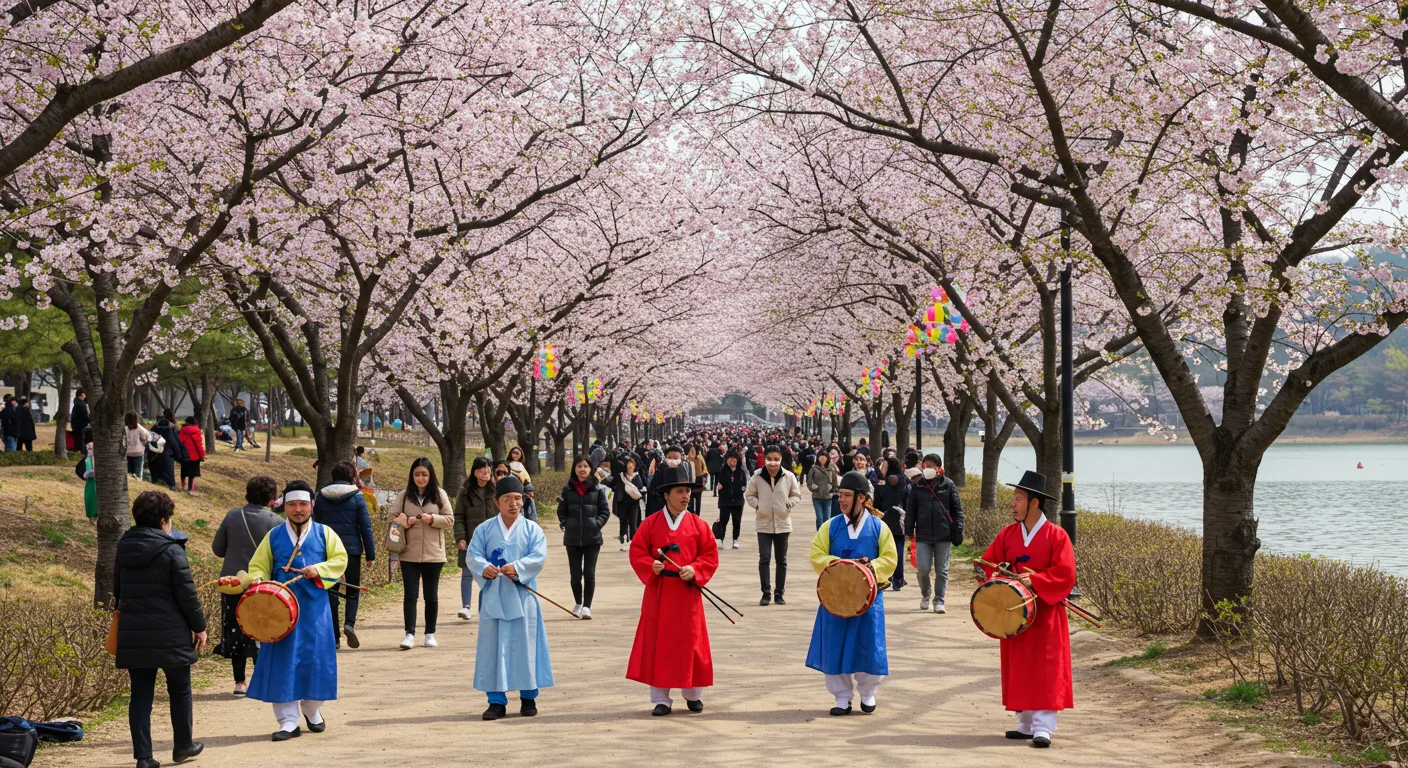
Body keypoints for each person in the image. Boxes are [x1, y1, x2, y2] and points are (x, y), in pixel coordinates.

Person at [978, 471, 1076, 748]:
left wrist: (1036, 579)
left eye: (1018, 499)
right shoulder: (1008, 534)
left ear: (1035, 503)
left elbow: (1066, 573)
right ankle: (1025, 723)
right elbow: (987, 563)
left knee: (1045, 667)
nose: (1013, 504)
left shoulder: (1057, 536)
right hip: (1014, 614)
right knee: (1019, 666)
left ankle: (1043, 726)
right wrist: (998, 575)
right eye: (1013, 498)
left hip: (1045, 612)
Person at [246, 479, 347, 740]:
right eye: (292, 504)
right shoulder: (274, 536)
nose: (298, 509)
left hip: (315, 611)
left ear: (312, 505)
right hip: (279, 612)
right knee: (282, 663)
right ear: (284, 507)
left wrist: (320, 569)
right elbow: (258, 565)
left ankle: (312, 710)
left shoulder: (325, 534)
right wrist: (257, 579)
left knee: (315, 662)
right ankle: (287, 721)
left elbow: (340, 560)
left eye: (303, 504)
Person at [114, 490, 207, 768]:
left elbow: (117, 589)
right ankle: (183, 746)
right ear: (165, 520)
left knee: (140, 695)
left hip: (134, 632)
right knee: (179, 690)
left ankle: (144, 757)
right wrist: (199, 627)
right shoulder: (172, 550)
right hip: (171, 633)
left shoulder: (123, 546)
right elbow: (187, 595)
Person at [626, 464, 719, 716]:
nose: (685, 496)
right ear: (666, 495)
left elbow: (710, 555)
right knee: (660, 643)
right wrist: (650, 565)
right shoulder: (651, 523)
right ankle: (661, 698)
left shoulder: (699, 525)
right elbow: (637, 552)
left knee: (692, 642)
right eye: (679, 491)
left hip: (687, 592)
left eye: (687, 491)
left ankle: (693, 694)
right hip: (660, 592)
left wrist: (695, 570)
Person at [807, 470, 897, 716]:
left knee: (868, 645)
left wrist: (868, 568)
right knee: (834, 644)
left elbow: (889, 560)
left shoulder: (879, 527)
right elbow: (817, 555)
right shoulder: (830, 526)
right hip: (835, 598)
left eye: (847, 495)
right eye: (840, 496)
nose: (842, 501)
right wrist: (843, 565)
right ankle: (842, 696)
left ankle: (868, 693)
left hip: (868, 598)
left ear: (862, 498)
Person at [469, 474, 554, 720]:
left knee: (525, 646)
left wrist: (517, 568)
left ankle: (528, 697)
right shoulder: (484, 529)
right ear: (497, 502)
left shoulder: (532, 529)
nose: (513, 504)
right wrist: (483, 567)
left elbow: (538, 556)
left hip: (522, 597)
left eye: (518, 498)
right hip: (494, 596)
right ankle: (496, 701)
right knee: (493, 647)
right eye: (507, 499)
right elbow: (474, 555)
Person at [212, 476, 283, 695]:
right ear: (271, 498)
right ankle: (263, 678)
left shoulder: (233, 516)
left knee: (235, 628)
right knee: (262, 628)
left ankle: (239, 682)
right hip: (261, 584)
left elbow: (218, 548)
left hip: (232, 583)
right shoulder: (276, 522)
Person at [389, 458, 453, 649]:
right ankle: (409, 634)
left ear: (431, 475)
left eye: (424, 474)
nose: (420, 478)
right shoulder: (404, 495)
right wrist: (406, 521)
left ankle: (429, 633)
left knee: (431, 596)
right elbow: (391, 517)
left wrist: (431, 519)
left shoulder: (440, 495)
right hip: (409, 552)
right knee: (410, 595)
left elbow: (449, 519)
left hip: (434, 554)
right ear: (412, 476)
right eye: (417, 474)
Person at [313, 461, 377, 648]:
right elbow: (365, 527)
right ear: (352, 477)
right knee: (353, 589)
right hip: (351, 550)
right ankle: (349, 624)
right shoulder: (357, 497)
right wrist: (370, 554)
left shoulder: (322, 496)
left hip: (327, 550)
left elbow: (315, 524)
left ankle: (334, 637)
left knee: (330, 591)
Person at [905, 453, 964, 613]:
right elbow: (910, 510)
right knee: (923, 569)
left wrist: (958, 529)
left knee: (942, 570)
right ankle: (926, 594)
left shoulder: (949, 485)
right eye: (924, 466)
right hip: (923, 535)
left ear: (938, 468)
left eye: (930, 466)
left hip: (943, 534)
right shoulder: (917, 486)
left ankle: (939, 600)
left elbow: (957, 510)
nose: (926, 469)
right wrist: (908, 530)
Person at [745, 445, 802, 607]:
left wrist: (787, 505)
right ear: (765, 458)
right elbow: (749, 495)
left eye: (776, 459)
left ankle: (779, 593)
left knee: (781, 560)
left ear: (781, 460)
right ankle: (766, 593)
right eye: (770, 459)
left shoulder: (788, 476)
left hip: (783, 524)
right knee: (764, 558)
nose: (773, 463)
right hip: (763, 524)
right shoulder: (757, 476)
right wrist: (759, 506)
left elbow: (796, 495)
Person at [558, 457, 611, 618]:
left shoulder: (598, 490)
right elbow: (562, 510)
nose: (582, 469)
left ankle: (587, 606)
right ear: (574, 469)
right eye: (579, 466)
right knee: (575, 575)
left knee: (589, 573)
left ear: (590, 469)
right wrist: (565, 522)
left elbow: (605, 511)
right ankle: (578, 603)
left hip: (592, 538)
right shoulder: (568, 490)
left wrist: (596, 524)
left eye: (585, 466)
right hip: (572, 538)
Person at [454, 456, 497, 621]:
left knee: (489, 574)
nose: (485, 473)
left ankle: (485, 607)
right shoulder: (465, 492)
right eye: (481, 470)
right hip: (471, 539)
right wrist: (460, 537)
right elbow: (458, 516)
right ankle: (466, 607)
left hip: (492, 540)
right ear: (474, 472)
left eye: (487, 470)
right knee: (467, 573)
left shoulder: (495, 491)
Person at [873, 456, 909, 592]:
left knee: (883, 551)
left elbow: (877, 504)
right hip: (901, 519)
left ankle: (885, 578)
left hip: (884, 519)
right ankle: (898, 580)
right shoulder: (905, 482)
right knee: (899, 550)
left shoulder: (882, 484)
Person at [714, 450, 748, 549]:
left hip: (738, 501)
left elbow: (743, 485)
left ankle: (735, 539)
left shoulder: (741, 472)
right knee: (723, 520)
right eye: (730, 458)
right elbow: (719, 485)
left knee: (737, 521)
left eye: (734, 458)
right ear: (727, 460)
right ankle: (720, 539)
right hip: (725, 501)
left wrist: (738, 488)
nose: (732, 461)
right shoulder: (722, 471)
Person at [613, 455, 645, 551]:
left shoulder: (637, 477)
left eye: (632, 466)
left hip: (634, 503)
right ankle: (623, 540)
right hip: (623, 502)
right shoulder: (621, 476)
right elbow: (613, 485)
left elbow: (640, 487)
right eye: (628, 466)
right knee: (623, 522)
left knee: (633, 522)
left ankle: (632, 541)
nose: (630, 468)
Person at [644, 445, 688, 515]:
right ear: (665, 458)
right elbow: (653, 491)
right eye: (670, 458)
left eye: (676, 458)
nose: (673, 460)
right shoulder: (660, 470)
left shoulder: (684, 470)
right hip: (660, 508)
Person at [148, 411, 181, 489]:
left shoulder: (153, 432)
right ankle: (171, 488)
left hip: (154, 458)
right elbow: (174, 445)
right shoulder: (169, 432)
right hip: (166, 457)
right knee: (169, 480)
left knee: (155, 478)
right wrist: (178, 456)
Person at [806, 451, 839, 529]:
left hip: (828, 497)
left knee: (827, 518)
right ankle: (819, 534)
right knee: (820, 518)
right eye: (820, 456)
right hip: (817, 497)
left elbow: (835, 482)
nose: (822, 458)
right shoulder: (814, 468)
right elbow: (809, 481)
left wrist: (834, 491)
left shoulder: (831, 469)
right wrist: (813, 487)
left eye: (824, 456)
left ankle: (825, 535)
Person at [177, 416, 205, 492]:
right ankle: (191, 488)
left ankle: (183, 486)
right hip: (194, 455)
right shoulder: (196, 430)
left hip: (184, 454)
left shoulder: (182, 430)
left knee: (184, 471)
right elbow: (198, 444)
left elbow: (180, 442)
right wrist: (202, 455)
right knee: (193, 473)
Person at [124, 412, 151, 480]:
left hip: (127, 452)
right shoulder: (138, 427)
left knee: (129, 471)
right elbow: (147, 436)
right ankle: (138, 481)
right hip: (138, 453)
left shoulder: (124, 428)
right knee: (138, 472)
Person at [80, 427, 97, 523]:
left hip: (91, 472)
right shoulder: (94, 445)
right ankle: (94, 515)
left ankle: (92, 516)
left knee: (90, 495)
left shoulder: (89, 445)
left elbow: (90, 457)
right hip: (93, 473)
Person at [686, 445, 707, 514]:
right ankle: (694, 513)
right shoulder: (688, 459)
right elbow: (705, 470)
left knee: (696, 499)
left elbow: (704, 470)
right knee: (692, 499)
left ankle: (695, 514)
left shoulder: (689, 459)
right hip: (693, 481)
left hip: (697, 480)